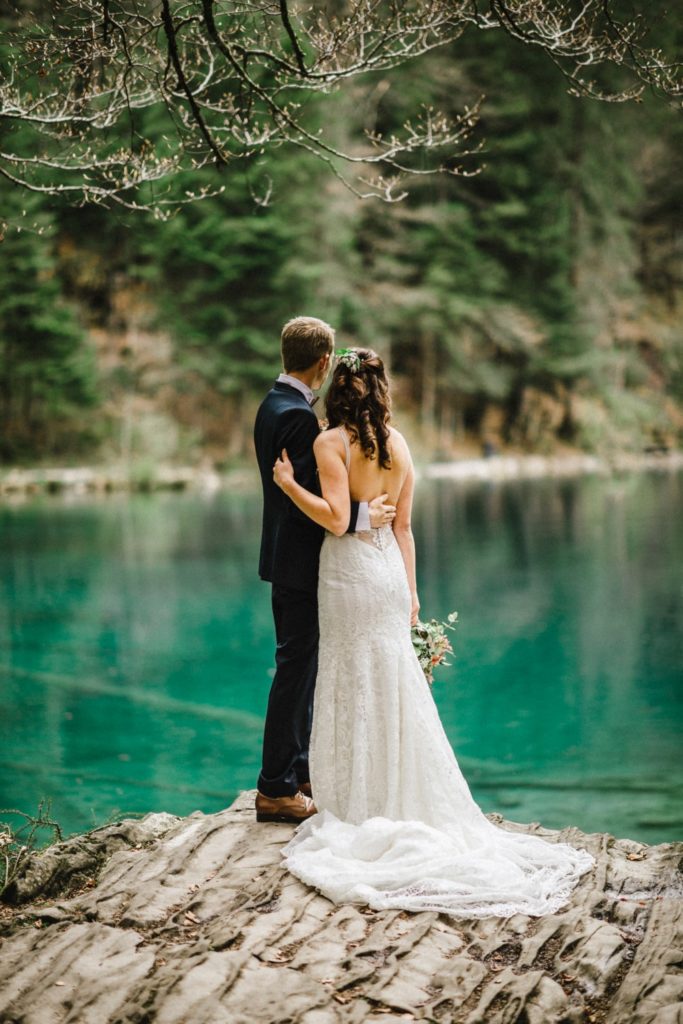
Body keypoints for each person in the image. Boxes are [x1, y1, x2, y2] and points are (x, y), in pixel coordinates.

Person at [271, 346, 596, 918]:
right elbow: (406, 527)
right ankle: (400, 794)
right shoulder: (398, 444)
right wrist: (413, 595)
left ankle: (357, 802)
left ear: (340, 388)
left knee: (351, 674)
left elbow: (337, 518)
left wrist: (290, 487)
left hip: (349, 574)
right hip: (390, 574)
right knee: (392, 678)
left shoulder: (330, 443)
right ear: (380, 389)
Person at [253, 318, 396, 825]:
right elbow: (319, 506)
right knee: (296, 671)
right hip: (300, 563)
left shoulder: (272, 405)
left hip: (285, 560)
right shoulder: (295, 417)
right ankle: (275, 788)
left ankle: (298, 773)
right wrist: (364, 517)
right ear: (322, 362)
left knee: (302, 667)